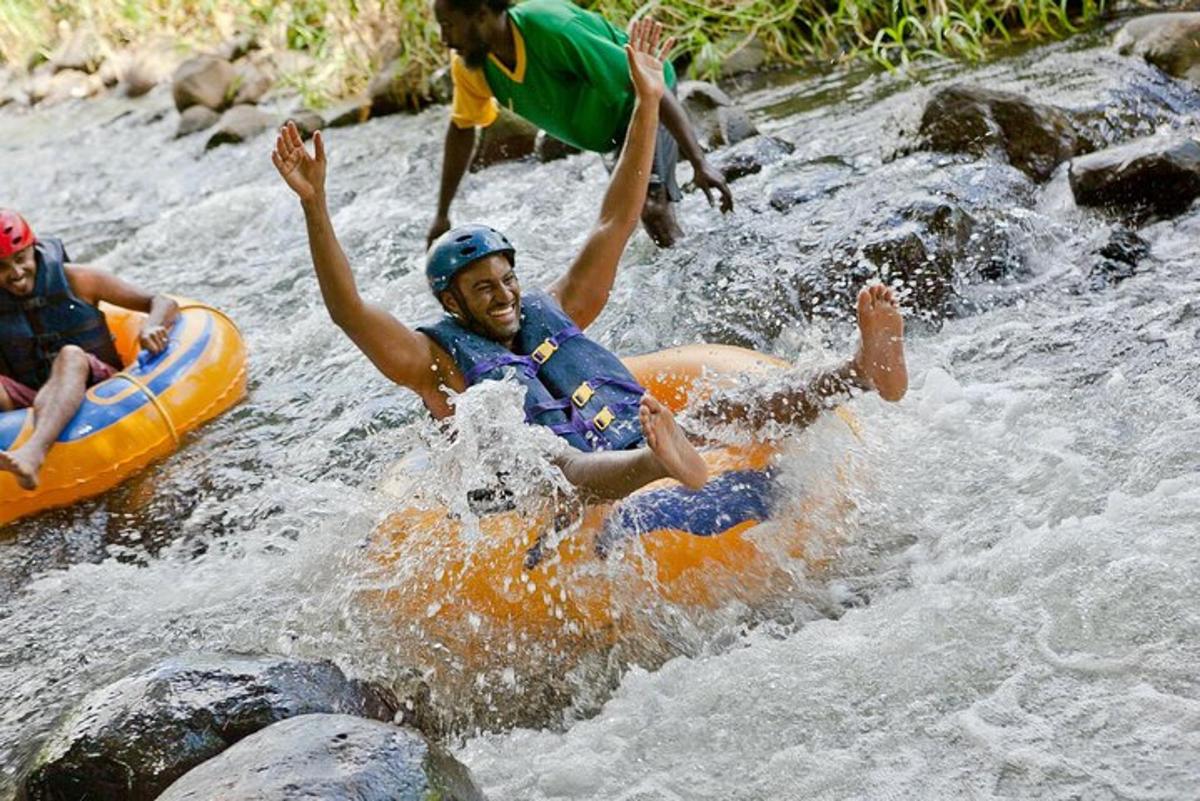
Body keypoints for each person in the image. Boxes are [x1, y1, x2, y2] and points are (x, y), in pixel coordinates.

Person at [272, 20, 907, 503]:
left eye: (506, 279)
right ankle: (659, 464)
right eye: (481, 289)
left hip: (626, 435)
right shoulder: (432, 361)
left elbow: (616, 219)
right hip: (547, 490)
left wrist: (647, 100)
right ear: (451, 303)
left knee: (718, 412)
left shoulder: (554, 308)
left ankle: (858, 370)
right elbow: (348, 310)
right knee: (552, 463)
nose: (502, 295)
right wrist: (315, 205)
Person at [426, 0, 734, 249]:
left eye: (448, 26)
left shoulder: (551, 29)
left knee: (651, 208)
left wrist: (699, 162)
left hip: (644, 101)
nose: (444, 39)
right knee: (629, 216)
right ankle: (693, 255)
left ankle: (703, 275)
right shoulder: (472, 66)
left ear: (481, 14)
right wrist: (442, 215)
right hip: (610, 133)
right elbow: (462, 129)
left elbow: (649, 84)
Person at [0, 210, 179, 490]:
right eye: (1, 267)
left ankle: (33, 454)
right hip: (34, 395)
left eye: (21, 259)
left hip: (101, 385)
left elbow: (161, 302)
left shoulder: (79, 280)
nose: (16, 273)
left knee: (70, 355)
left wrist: (151, 327)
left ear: (34, 249)